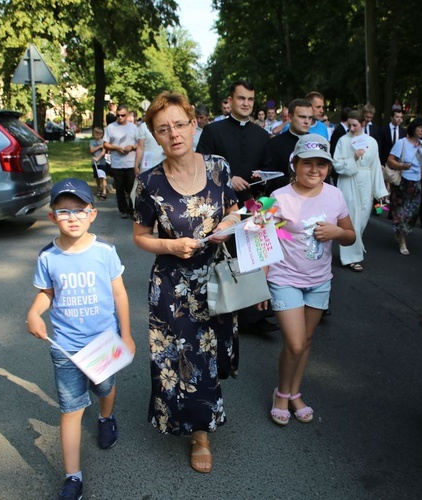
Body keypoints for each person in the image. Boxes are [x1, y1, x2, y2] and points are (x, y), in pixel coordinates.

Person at [133, 91, 241, 474]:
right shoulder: (148, 183)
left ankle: (200, 418)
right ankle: (200, 435)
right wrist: (170, 245)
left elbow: (232, 209)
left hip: (215, 278)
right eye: (164, 129)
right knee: (183, 360)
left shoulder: (218, 167)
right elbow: (140, 236)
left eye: (180, 124)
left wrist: (227, 227)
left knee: (211, 357)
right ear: (155, 137)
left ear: (194, 125)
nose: (174, 133)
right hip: (172, 286)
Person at [26, 178, 135, 499]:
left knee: (104, 387)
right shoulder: (48, 257)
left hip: (103, 343)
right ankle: (72, 477)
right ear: (51, 217)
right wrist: (34, 312)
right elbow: (47, 293)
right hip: (66, 349)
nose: (72, 217)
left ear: (92, 214)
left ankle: (105, 416)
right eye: (63, 211)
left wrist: (126, 335)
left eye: (79, 210)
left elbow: (119, 293)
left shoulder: (104, 252)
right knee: (70, 410)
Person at [262, 134, 355, 426]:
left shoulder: (335, 195)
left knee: (308, 340)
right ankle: (281, 393)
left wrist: (336, 233)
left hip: (319, 280)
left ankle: (294, 393)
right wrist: (259, 286)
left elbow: (350, 234)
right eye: (307, 164)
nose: (314, 170)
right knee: (296, 343)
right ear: (295, 164)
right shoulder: (277, 197)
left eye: (321, 165)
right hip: (284, 277)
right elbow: (263, 239)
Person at [197, 79, 276, 337]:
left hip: (253, 201)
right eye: (241, 98)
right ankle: (223, 308)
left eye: (250, 100)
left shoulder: (262, 135)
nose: (246, 104)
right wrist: (228, 178)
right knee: (223, 257)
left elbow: (269, 169)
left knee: (253, 256)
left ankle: (255, 315)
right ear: (230, 100)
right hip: (221, 204)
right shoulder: (213, 131)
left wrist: (260, 176)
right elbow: (201, 165)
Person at [333, 109, 388, 271]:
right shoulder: (343, 141)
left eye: (355, 125)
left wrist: (380, 191)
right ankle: (352, 258)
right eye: (349, 125)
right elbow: (337, 164)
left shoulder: (372, 142)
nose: (351, 128)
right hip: (348, 182)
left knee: (362, 219)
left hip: (366, 183)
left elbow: (376, 166)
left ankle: (354, 247)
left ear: (363, 124)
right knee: (352, 220)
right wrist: (354, 158)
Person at [386, 117, 422, 255]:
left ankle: (400, 234)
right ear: (413, 128)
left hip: (416, 182)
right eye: (419, 127)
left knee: (413, 212)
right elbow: (390, 160)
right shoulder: (402, 143)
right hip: (403, 181)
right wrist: (402, 166)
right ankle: (402, 240)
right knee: (401, 212)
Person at [263, 98, 315, 193]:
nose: (307, 121)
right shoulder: (274, 144)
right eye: (302, 117)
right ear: (290, 118)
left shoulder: (316, 143)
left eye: (310, 117)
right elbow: (269, 178)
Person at [102, 105, 139, 219]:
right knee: (119, 188)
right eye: (118, 115)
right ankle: (123, 210)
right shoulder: (111, 127)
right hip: (117, 163)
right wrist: (116, 148)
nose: (120, 117)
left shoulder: (133, 128)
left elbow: (140, 144)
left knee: (132, 188)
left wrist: (132, 147)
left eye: (123, 115)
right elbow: (105, 143)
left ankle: (132, 209)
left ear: (127, 115)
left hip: (130, 162)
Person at [89, 127, 109, 199]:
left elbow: (103, 152)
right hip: (95, 163)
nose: (97, 135)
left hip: (102, 162)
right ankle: (99, 188)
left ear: (102, 135)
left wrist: (98, 157)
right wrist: (99, 146)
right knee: (97, 177)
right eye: (96, 133)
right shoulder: (92, 142)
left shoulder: (104, 142)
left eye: (99, 134)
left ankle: (104, 191)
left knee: (103, 177)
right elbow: (91, 150)